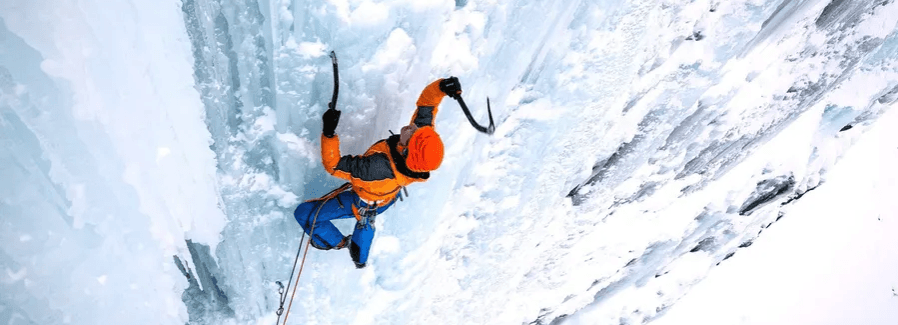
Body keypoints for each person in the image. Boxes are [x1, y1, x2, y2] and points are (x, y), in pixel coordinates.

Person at [293, 77, 462, 268]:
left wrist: (329, 133)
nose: (412, 126)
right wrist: (442, 87)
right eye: (418, 129)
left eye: (412, 133)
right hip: (386, 197)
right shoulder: (422, 144)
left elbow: (334, 166)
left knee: (304, 214)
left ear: (406, 151)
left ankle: (337, 242)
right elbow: (427, 104)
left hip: (363, 199)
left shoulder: (376, 168)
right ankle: (360, 256)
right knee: (366, 222)